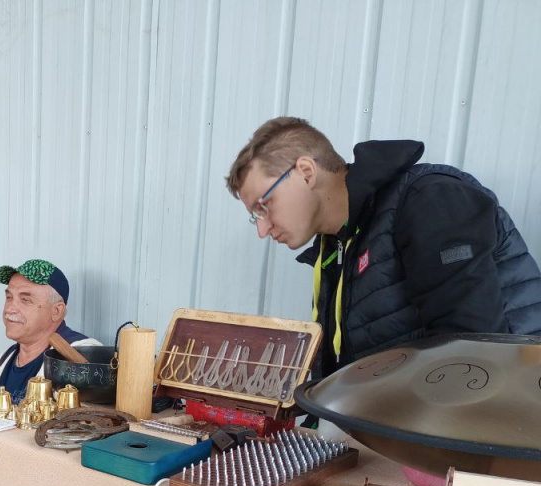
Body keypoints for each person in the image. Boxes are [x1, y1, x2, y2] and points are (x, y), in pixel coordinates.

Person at [226, 116, 541, 377]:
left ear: (306, 172)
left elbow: (471, 357)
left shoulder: (428, 199)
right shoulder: (335, 248)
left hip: (501, 422)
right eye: (256, 218)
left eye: (264, 205)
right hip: (402, 429)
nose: (263, 230)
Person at [0, 259, 100, 412]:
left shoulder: (80, 357)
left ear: (56, 311)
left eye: (25, 299)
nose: (10, 309)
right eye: (9, 297)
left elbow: (85, 427)